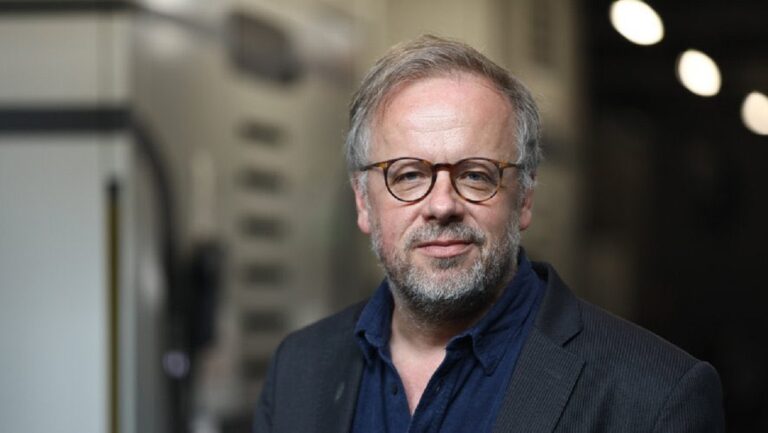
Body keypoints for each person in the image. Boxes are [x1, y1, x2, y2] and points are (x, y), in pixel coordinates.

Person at [253, 35, 724, 433]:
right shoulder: (298, 369)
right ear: (363, 201)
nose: (442, 205)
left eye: (476, 175)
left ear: (525, 199)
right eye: (408, 175)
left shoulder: (656, 398)